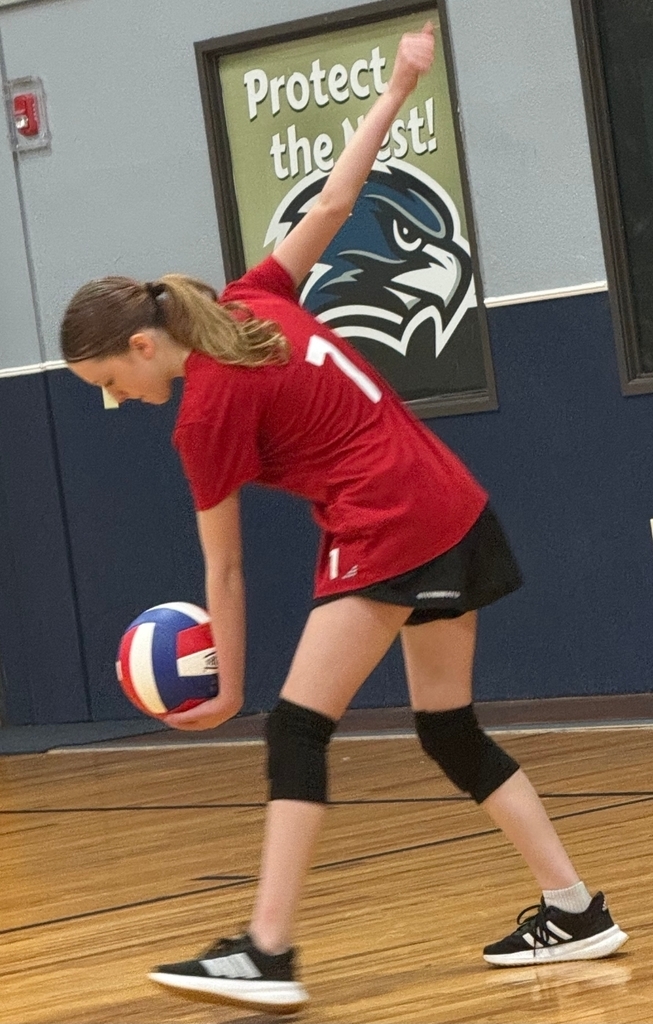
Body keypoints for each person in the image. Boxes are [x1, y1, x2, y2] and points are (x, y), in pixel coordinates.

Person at [60, 24, 627, 1014]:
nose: (117, 399)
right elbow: (335, 196)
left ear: (144, 346)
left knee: (291, 727)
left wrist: (228, 688)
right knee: (447, 729)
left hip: (387, 527)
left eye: (111, 380)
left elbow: (223, 572)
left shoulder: (204, 413)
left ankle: (267, 951)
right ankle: (573, 905)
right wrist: (400, 81)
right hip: (452, 504)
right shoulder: (252, 296)